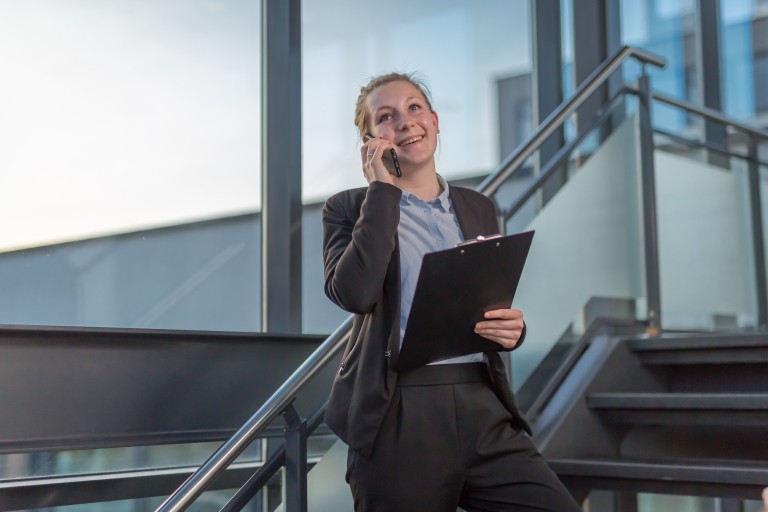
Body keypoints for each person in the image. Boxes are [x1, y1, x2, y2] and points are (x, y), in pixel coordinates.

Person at [322, 71, 581, 512]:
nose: (405, 121)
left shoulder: (478, 206)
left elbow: (483, 296)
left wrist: (510, 330)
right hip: (399, 412)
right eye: (386, 117)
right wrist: (381, 190)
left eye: (414, 108)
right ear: (370, 142)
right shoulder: (348, 208)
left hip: (483, 404)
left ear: (435, 121)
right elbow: (355, 294)